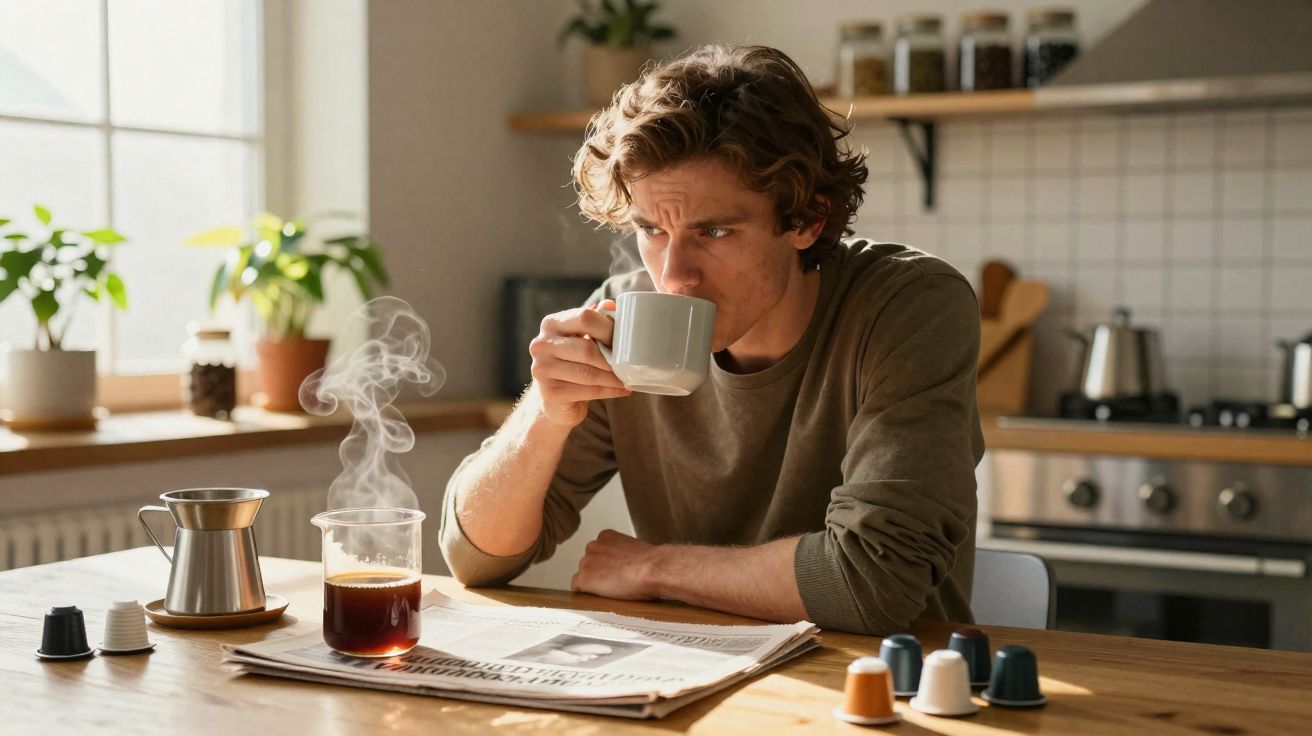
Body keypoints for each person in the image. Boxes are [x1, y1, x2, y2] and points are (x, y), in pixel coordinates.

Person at [440, 44, 983, 635]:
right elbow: (474, 558)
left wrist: (656, 568)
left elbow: (873, 581)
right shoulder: (623, 317)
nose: (674, 275)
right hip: (693, 679)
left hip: (887, 689)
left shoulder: (908, 306)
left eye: (714, 230)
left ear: (807, 220)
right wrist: (543, 415)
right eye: (651, 229)